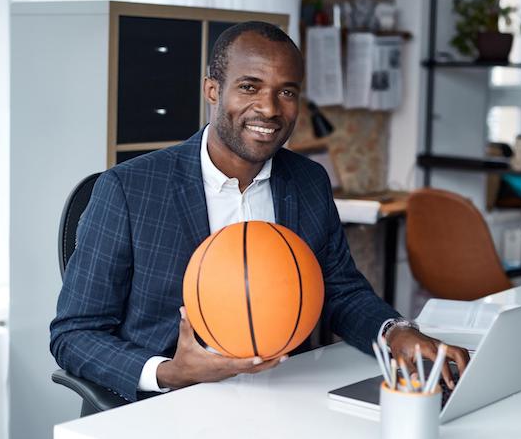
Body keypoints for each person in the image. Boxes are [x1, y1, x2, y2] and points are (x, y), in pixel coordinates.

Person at [50, 21, 469, 402]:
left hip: (286, 393)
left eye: (286, 91)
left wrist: (396, 333)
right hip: (172, 405)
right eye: (249, 87)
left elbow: (340, 289)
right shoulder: (129, 189)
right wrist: (171, 372)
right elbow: (74, 335)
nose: (269, 108)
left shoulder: (307, 181)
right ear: (213, 90)